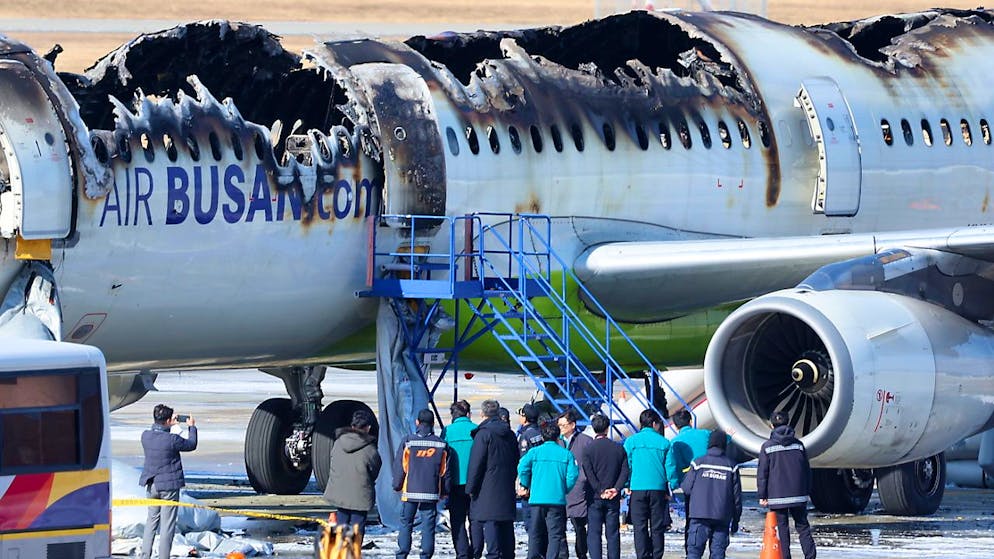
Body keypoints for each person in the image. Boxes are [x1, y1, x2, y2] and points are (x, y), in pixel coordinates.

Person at [139, 404, 198, 559]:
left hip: (151, 484)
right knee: (167, 526)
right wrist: (191, 427)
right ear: (167, 421)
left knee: (151, 523)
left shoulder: (145, 436)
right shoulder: (172, 440)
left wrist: (169, 425)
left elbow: (159, 435)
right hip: (169, 487)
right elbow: (191, 444)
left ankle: (145, 555)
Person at [758, 411, 816, 559]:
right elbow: (807, 470)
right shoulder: (799, 445)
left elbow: (763, 474)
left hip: (777, 496)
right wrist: (807, 490)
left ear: (772, 425)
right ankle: (810, 556)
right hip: (798, 495)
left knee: (782, 529)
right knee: (803, 527)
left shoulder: (767, 447)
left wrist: (762, 495)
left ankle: (786, 557)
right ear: (788, 423)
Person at [393, 409, 451, 559]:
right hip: (430, 492)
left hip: (410, 490)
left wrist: (397, 485)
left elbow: (401, 466)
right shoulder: (441, 445)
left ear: (417, 422)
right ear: (433, 424)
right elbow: (444, 471)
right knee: (428, 526)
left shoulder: (408, 442)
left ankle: (402, 553)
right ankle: (425, 555)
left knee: (406, 523)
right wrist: (444, 491)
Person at [466, 399, 519, 559]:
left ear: (482, 414)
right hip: (506, 489)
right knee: (506, 529)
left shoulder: (483, 434)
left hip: (486, 491)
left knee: (492, 534)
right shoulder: (509, 434)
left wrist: (470, 488)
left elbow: (476, 464)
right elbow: (516, 459)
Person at [518, 421, 579, 559]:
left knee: (535, 533)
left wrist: (526, 484)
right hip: (556, 499)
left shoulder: (534, 452)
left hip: (537, 498)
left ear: (542, 437)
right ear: (558, 437)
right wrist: (563, 489)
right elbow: (573, 475)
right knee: (555, 534)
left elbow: (522, 468)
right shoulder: (566, 454)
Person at [322, 409, 381, 546]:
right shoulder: (370, 450)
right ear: (368, 428)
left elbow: (333, 462)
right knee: (357, 527)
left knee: (341, 523)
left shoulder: (338, 443)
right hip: (360, 494)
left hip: (340, 492)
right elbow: (375, 470)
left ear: (352, 426)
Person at [623, 409, 676, 559]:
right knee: (657, 526)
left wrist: (627, 484)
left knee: (639, 527)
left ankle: (642, 555)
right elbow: (670, 468)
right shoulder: (665, 443)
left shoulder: (631, 442)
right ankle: (656, 555)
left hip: (637, 488)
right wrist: (672, 485)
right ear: (654, 424)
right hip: (658, 489)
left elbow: (627, 465)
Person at [680, 429, 742, 559]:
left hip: (699, 515)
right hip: (722, 516)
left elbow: (686, 488)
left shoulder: (698, 463)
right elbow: (736, 497)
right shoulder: (731, 466)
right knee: (718, 553)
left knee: (694, 553)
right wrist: (735, 520)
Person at [581, 414, 629, 559]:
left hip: (595, 497)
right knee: (613, 533)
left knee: (594, 533)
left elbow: (589, 473)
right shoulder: (618, 448)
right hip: (613, 496)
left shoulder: (588, 449)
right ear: (608, 429)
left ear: (594, 428)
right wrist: (616, 488)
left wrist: (599, 490)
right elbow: (625, 471)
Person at [669, 408, 711, 552]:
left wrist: (675, 484)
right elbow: (725, 440)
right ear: (691, 421)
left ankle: (691, 550)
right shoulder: (705, 434)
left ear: (675, 425)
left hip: (691, 485)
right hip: (711, 481)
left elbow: (675, 466)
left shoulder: (675, 442)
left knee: (692, 518)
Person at [444, 401, 478, 559]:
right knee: (475, 520)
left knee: (457, 521)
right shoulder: (476, 430)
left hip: (454, 483)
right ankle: (475, 550)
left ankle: (462, 553)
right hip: (475, 483)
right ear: (468, 413)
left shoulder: (447, 432)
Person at [558, 409, 593, 559]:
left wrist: (584, 479)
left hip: (579, 490)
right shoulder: (556, 441)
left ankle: (581, 552)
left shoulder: (585, 441)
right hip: (560, 490)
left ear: (572, 425)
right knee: (558, 527)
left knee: (579, 526)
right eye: (559, 425)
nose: (560, 428)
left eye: (563, 425)